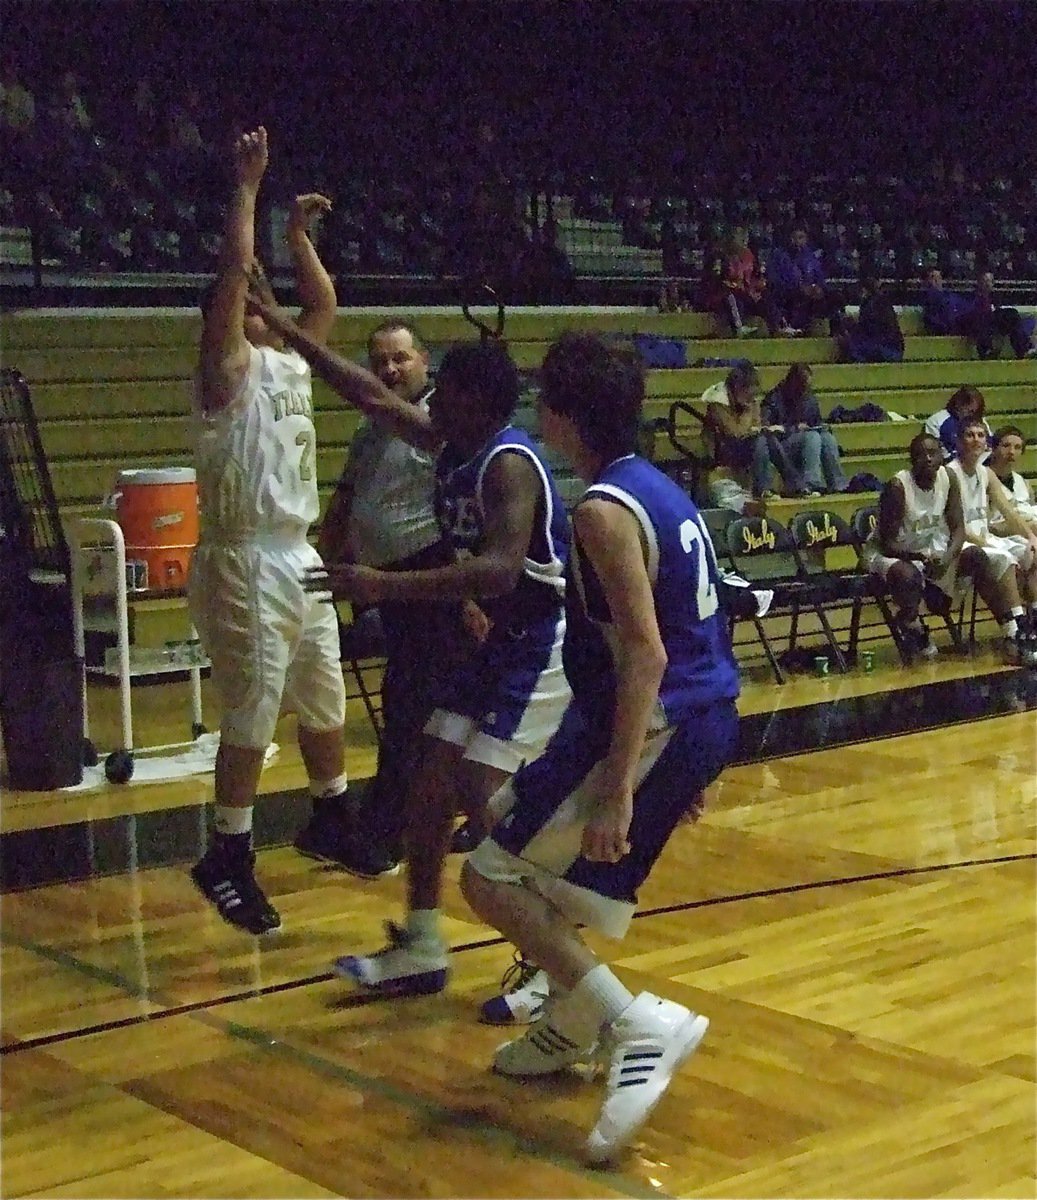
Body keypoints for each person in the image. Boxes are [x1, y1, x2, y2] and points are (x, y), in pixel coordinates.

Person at [245, 297, 573, 1017]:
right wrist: (291, 328)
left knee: (485, 788)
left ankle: (553, 958)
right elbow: (363, 390)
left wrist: (381, 583)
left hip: (540, 638)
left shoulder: (508, 464)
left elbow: (497, 573)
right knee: (431, 782)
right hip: (501, 641)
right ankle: (423, 943)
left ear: (479, 402)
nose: (433, 402)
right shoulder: (451, 444)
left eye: (448, 392)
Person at [458, 331, 740, 1164]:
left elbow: (646, 654)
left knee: (486, 875)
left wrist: (622, 787)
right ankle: (570, 1023)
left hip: (659, 714)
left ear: (561, 412)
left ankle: (630, 1024)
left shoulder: (599, 510)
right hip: (691, 713)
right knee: (523, 845)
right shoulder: (654, 486)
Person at [188, 127, 350, 935]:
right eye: (247, 291)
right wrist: (248, 190)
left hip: (300, 549)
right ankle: (227, 852)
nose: (256, 293)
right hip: (245, 553)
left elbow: (321, 307)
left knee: (325, 693)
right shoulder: (226, 372)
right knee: (252, 711)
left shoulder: (289, 358)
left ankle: (330, 816)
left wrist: (296, 239)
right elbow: (229, 271)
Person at [314, 319, 479, 880]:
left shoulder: (441, 421)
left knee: (416, 708)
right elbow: (345, 499)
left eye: (400, 358)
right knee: (418, 706)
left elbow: (459, 513)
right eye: (380, 360)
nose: (389, 369)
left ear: (424, 360)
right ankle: (432, 819)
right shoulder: (370, 429)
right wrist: (320, 565)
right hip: (380, 584)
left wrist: (468, 594)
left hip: (430, 579)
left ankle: (387, 832)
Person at [862, 432, 1008, 660]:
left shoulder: (948, 477)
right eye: (921, 455)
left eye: (932, 453)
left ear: (942, 455)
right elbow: (887, 543)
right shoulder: (897, 487)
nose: (928, 459)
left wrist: (948, 557)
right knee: (906, 574)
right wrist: (919, 557)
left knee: (977, 556)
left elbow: (958, 529)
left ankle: (1011, 628)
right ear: (912, 460)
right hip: (890, 554)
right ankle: (912, 624)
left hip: (929, 551)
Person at [947, 418, 1037, 663]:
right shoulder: (949, 474)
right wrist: (987, 542)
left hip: (983, 538)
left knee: (1031, 550)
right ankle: (1017, 628)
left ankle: (1032, 619)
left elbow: (1008, 511)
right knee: (1003, 557)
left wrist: (1030, 537)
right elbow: (955, 527)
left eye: (980, 435)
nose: (976, 439)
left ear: (986, 442)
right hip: (959, 542)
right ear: (958, 440)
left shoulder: (985, 473)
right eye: (970, 435)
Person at [704, 362, 809, 509]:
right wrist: (748, 413)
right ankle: (765, 489)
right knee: (760, 440)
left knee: (766, 437)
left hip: (747, 443)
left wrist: (759, 427)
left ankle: (794, 485)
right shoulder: (718, 402)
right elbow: (734, 432)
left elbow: (757, 425)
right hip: (724, 449)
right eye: (748, 393)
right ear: (737, 388)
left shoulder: (750, 400)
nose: (752, 398)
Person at [761, 363, 849, 494]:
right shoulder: (773, 399)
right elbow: (769, 431)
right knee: (812, 437)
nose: (806, 390)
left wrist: (821, 427)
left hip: (809, 441)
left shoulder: (809, 399)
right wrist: (794, 428)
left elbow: (815, 421)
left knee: (827, 438)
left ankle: (838, 484)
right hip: (783, 445)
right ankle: (811, 483)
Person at [766, 225, 845, 335]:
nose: (797, 241)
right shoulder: (779, 256)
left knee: (835, 297)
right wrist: (800, 288)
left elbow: (819, 277)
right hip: (789, 293)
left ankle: (837, 332)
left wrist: (819, 288)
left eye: (801, 237)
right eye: (795, 238)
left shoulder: (810, 256)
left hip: (811, 293)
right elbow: (776, 281)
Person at [959, 271, 1036, 360]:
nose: (987, 284)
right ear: (980, 283)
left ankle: (1023, 348)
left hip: (993, 323)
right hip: (980, 322)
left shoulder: (995, 298)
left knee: (1013, 319)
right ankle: (986, 349)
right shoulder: (974, 298)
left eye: (990, 281)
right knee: (984, 319)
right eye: (985, 281)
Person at [836, 276, 904, 363]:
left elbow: (872, 329)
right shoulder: (878, 302)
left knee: (852, 344)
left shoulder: (875, 304)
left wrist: (852, 326)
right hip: (891, 348)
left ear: (864, 290)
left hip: (888, 348)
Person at [986, 426, 1037, 534]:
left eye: (1017, 447)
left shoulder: (1023, 482)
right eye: (1006, 446)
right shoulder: (983, 479)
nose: (1011, 452)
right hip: (1001, 538)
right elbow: (987, 526)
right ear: (993, 449)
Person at [922, 384, 991, 461]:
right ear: (958, 404)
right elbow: (935, 453)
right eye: (969, 410)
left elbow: (990, 447)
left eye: (975, 411)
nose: (972, 414)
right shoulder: (937, 421)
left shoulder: (980, 420)